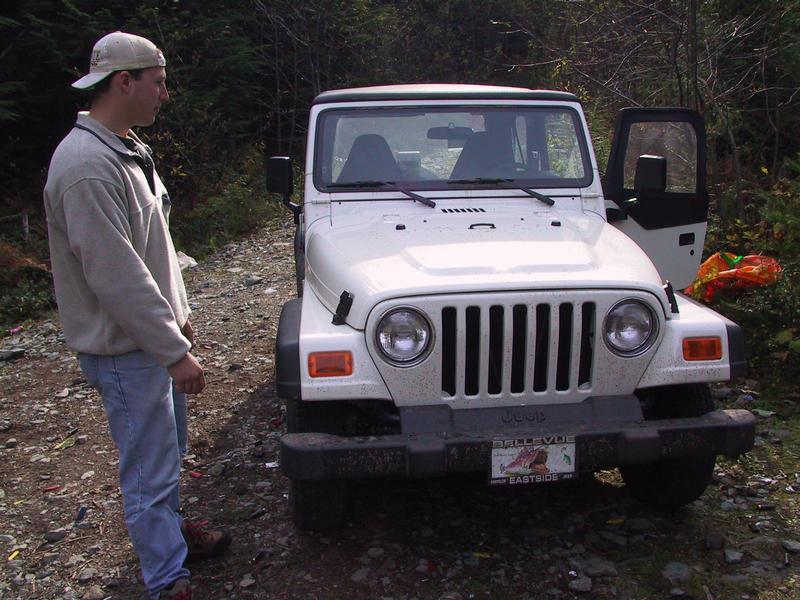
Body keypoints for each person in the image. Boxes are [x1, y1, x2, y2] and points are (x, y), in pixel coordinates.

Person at [44, 31, 230, 600]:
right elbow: (115, 274)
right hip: (128, 350)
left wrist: (179, 319)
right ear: (124, 82)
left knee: (167, 454)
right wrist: (172, 351)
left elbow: (153, 248)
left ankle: (171, 535)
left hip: (151, 339)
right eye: (159, 82)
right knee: (148, 468)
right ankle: (167, 580)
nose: (165, 95)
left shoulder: (126, 149)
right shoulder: (86, 166)